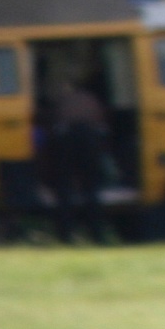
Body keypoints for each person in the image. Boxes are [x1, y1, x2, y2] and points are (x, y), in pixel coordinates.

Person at [45, 77, 112, 242]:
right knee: (91, 189)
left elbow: (52, 124)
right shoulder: (91, 100)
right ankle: (97, 233)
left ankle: (65, 234)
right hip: (89, 141)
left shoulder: (63, 101)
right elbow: (102, 125)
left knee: (64, 189)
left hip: (66, 141)